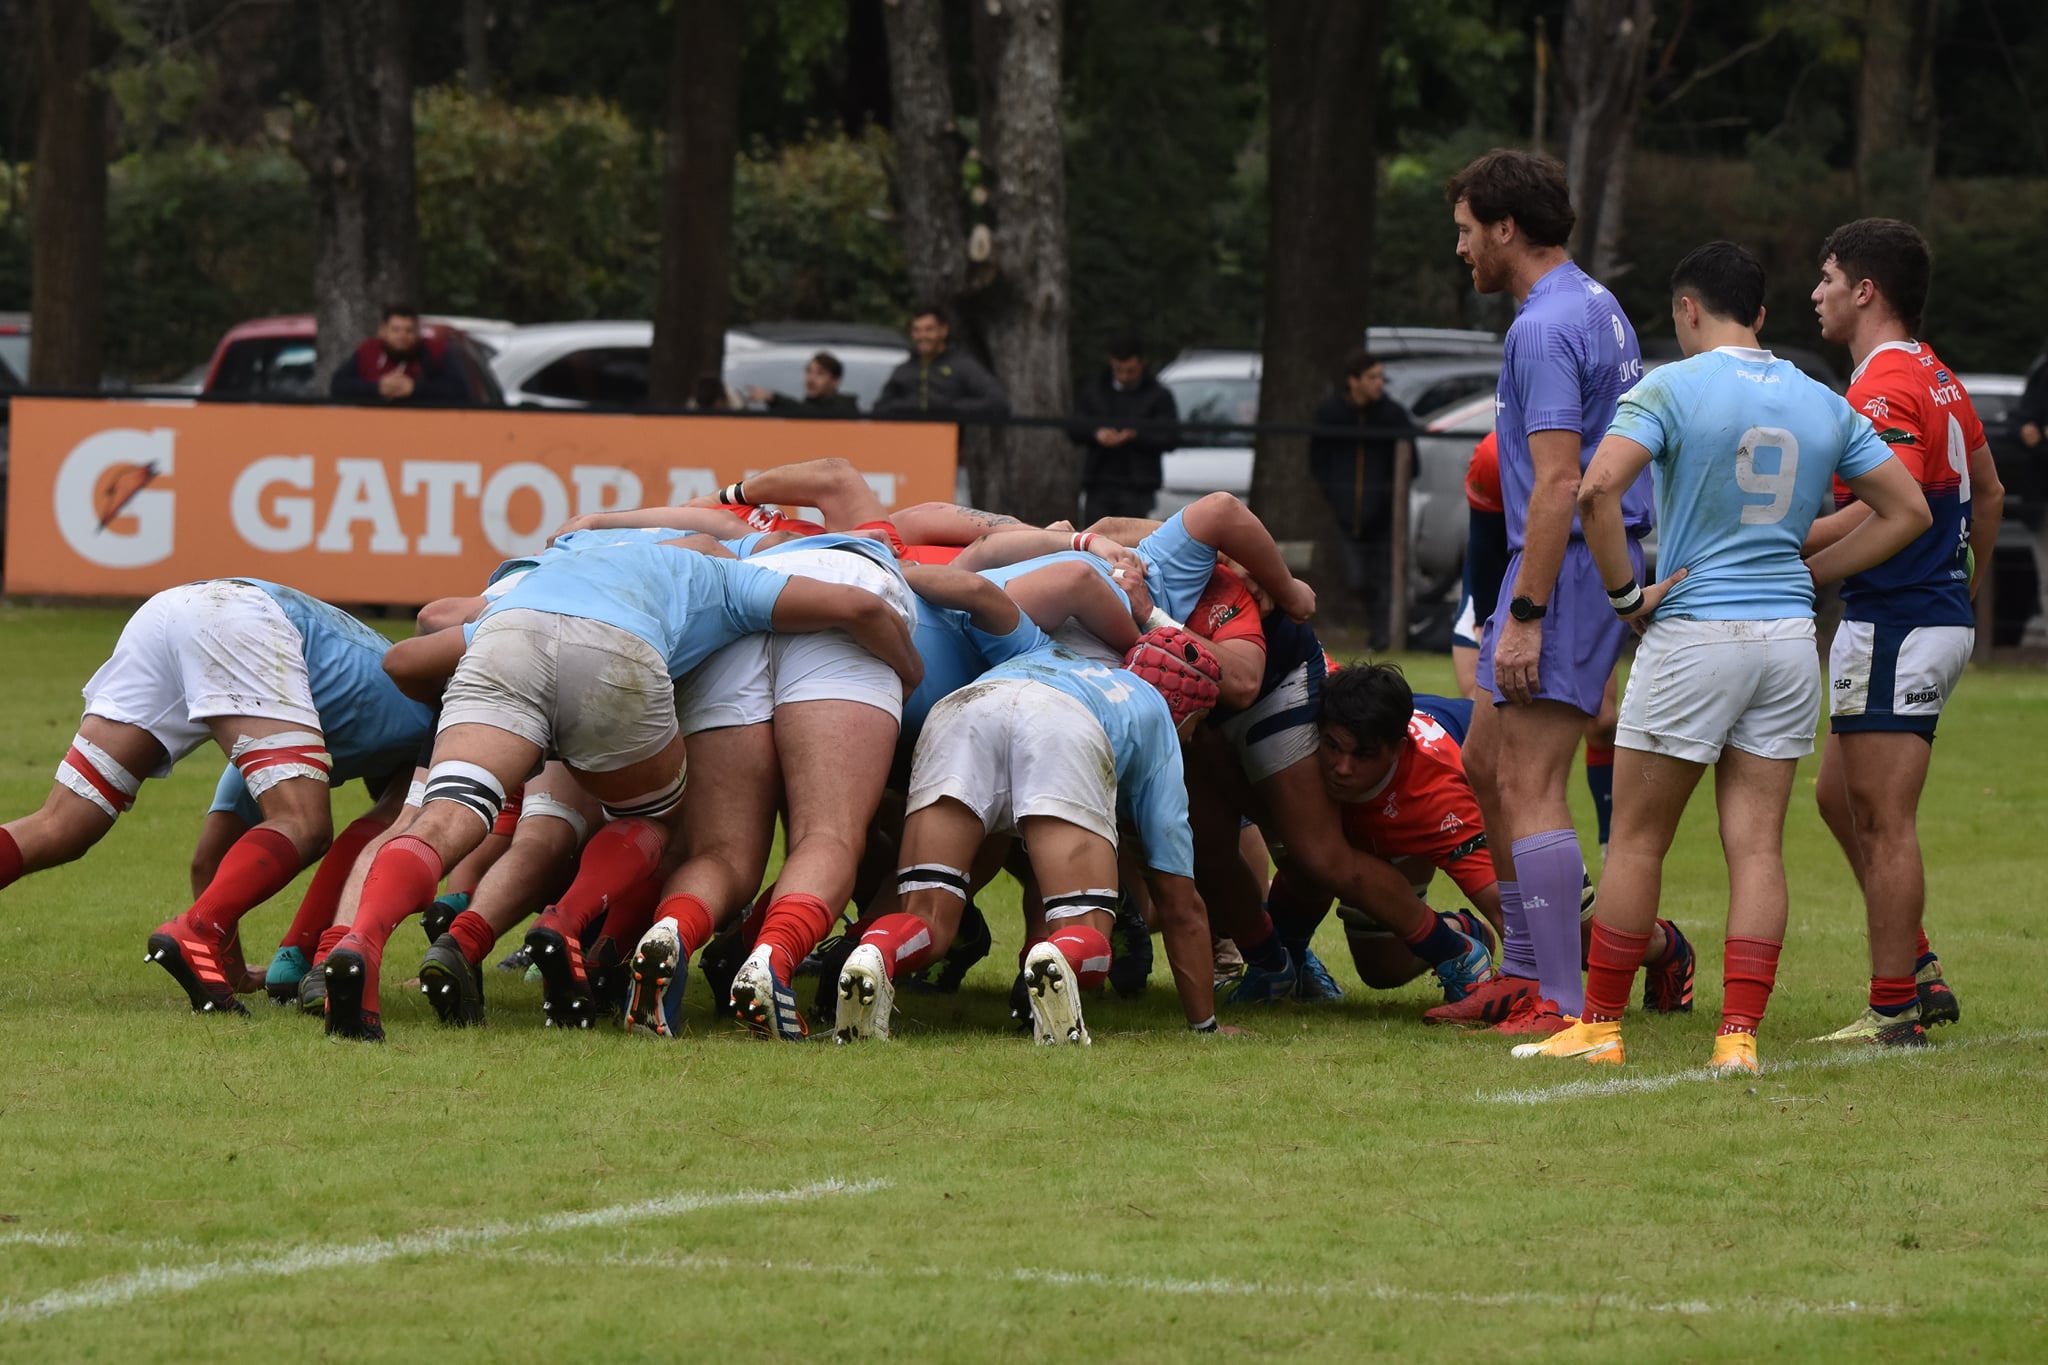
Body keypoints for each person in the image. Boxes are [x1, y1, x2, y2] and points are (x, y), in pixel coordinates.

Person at [1523, 239, 1930, 1073]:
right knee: (1757, 845)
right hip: (1786, 642)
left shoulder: (1670, 384)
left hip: (1697, 631)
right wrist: (1806, 572)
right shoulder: (1820, 397)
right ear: (1765, 314)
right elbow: (1909, 510)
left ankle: (1599, 1025)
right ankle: (1737, 1037)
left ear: (1686, 309)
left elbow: (1596, 491)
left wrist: (1626, 597)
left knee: (1637, 838)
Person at [0, 579, 433, 1014]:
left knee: (63, 824)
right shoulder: (434, 726)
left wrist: (233, 968)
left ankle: (203, 941)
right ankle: (196, 932)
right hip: (245, 623)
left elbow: (211, 857)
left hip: (172, 614)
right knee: (304, 823)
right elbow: (384, 835)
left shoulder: (287, 719)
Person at [1444, 147, 1651, 1037]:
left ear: (1504, 227)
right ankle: (1525, 968)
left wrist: (1523, 613)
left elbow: (1561, 482)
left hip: (1559, 570)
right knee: (1485, 763)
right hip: (1554, 567)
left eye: (1464, 231)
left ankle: (1564, 1002)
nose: (1461, 251)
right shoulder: (1589, 302)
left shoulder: (1543, 324)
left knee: (1530, 777)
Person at [1805, 218, 2005, 1046]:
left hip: (1898, 620)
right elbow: (1985, 493)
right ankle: (1915, 962)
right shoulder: (1937, 373)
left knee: (1885, 819)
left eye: (1826, 277)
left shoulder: (1879, 385)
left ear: (1865, 291)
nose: (1814, 294)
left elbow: (1892, 508)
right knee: (1834, 797)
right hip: (1926, 614)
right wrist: (1963, 589)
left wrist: (1795, 566)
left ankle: (1894, 1011)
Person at [1308, 349, 1414, 651]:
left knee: (1384, 577)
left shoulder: (1392, 415)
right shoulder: (1332, 414)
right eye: (1372, 377)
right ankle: (1370, 628)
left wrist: (1387, 494)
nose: (1379, 383)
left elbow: (1410, 461)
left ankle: (1382, 638)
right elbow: (1318, 459)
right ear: (1353, 381)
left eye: (1381, 377)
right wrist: (1334, 494)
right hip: (1345, 514)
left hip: (1382, 515)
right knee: (1357, 578)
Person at [1073, 336, 1180, 524]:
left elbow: (1170, 436)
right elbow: (1075, 427)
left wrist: (1136, 435)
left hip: (1138, 484)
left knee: (1133, 541)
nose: (1124, 377)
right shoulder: (1095, 391)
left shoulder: (1158, 395)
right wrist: (1096, 434)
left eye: (1130, 371)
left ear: (1142, 364)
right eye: (1118, 370)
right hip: (1099, 481)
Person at [873, 306, 1010, 421]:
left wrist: (949, 409)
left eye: (929, 329)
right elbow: (879, 409)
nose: (922, 336)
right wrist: (909, 408)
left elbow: (996, 402)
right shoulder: (903, 370)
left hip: (946, 445)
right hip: (903, 444)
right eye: (917, 330)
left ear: (943, 331)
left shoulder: (962, 365)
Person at [329, 305, 468, 406]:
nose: (402, 336)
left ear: (418, 332)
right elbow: (338, 385)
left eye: (409, 330)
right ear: (383, 331)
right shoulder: (368, 351)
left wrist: (414, 388)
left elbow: (460, 390)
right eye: (396, 330)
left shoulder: (436, 351)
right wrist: (378, 388)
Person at [748, 352, 859, 416]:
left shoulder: (846, 407)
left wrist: (773, 398)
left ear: (835, 380)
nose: (811, 379)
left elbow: (815, 414)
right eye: (809, 372)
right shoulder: (803, 407)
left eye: (820, 373)